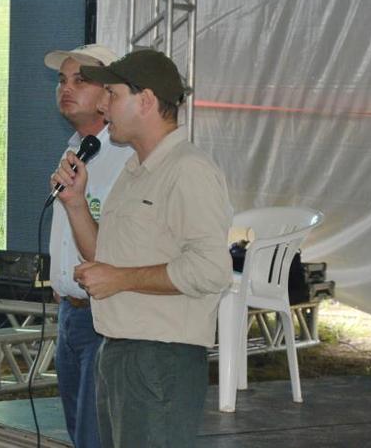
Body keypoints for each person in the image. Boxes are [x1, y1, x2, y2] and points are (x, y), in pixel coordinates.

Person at [53, 48, 232, 448]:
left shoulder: (189, 170)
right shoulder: (134, 171)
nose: (103, 104)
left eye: (112, 94)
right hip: (120, 349)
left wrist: (120, 279)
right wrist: (76, 204)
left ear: (146, 101)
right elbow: (105, 258)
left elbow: (210, 270)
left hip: (161, 357)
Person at [43, 43, 131, 448]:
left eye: (81, 80)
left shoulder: (125, 157)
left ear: (108, 93)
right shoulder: (75, 150)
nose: (66, 87)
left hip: (104, 317)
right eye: (62, 79)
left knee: (98, 437)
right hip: (69, 314)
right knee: (81, 435)